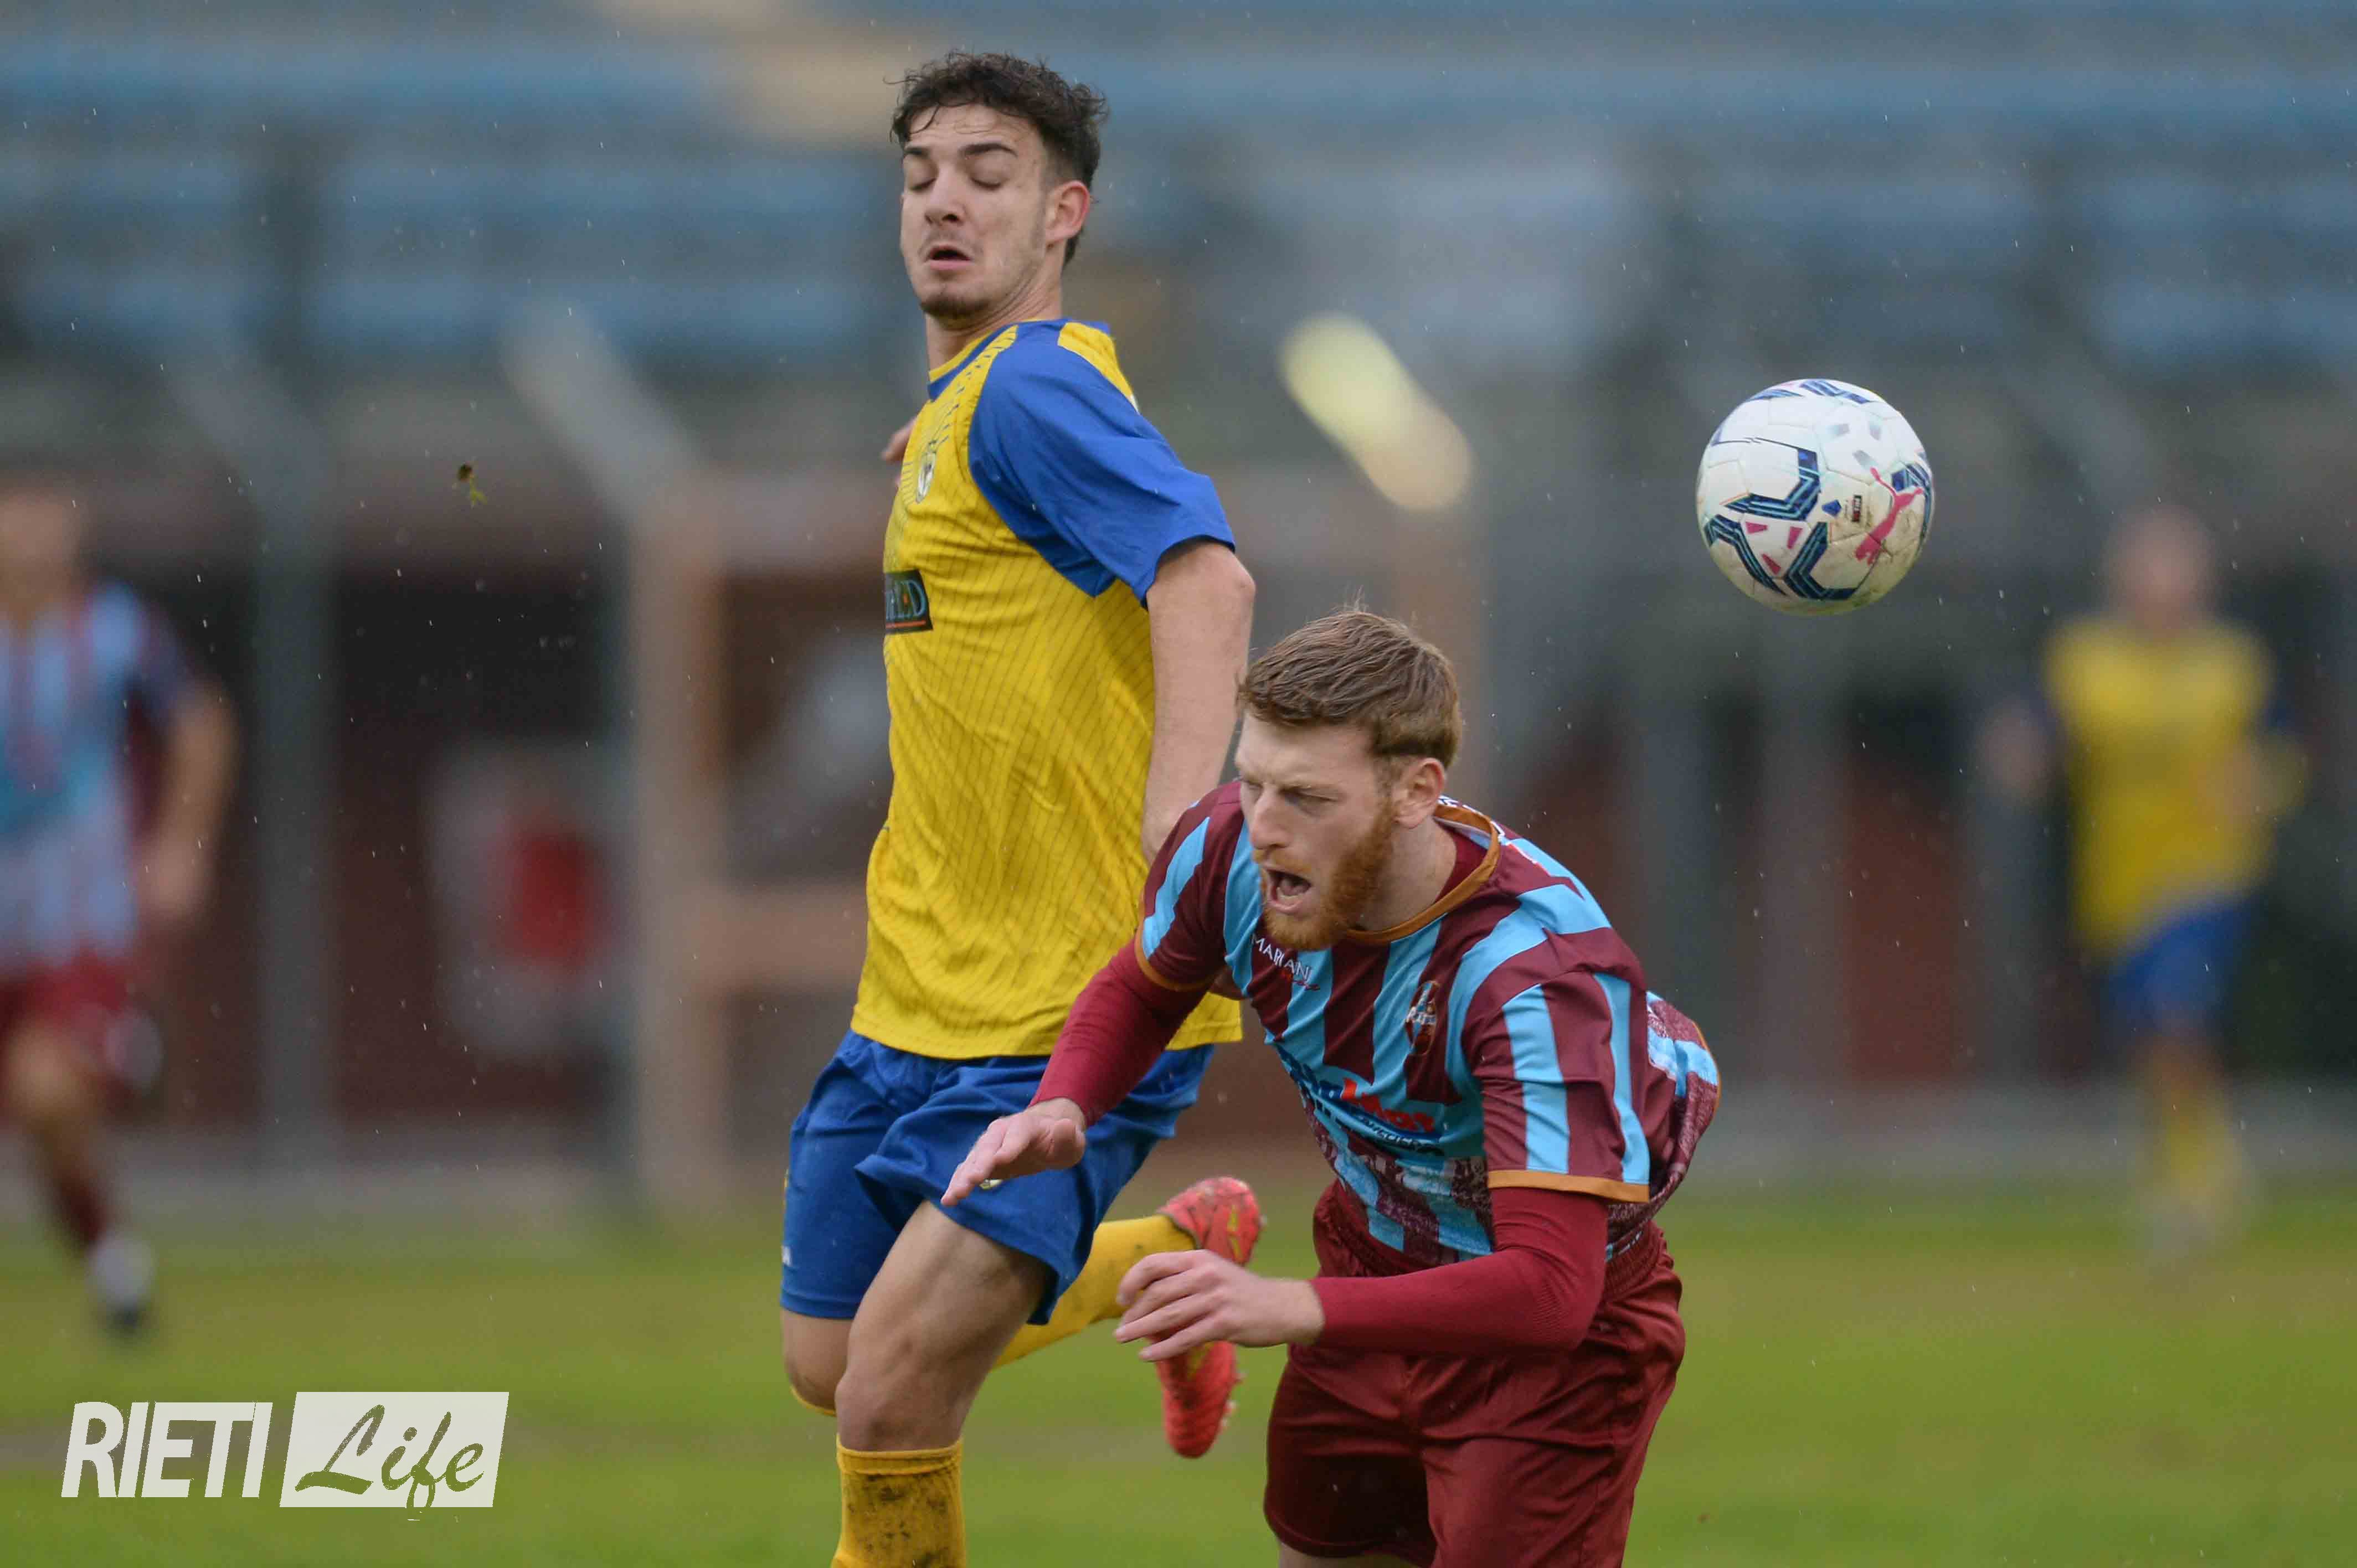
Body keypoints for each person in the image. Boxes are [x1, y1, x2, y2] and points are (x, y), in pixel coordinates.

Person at [948, 610, 1721, 1567]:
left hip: (1548, 1350)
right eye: (1253, 780)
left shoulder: (1534, 981)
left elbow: (1552, 1291)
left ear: (1416, 792)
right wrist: (1065, 1104)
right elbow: (1145, 985)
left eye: (1308, 797)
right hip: (1368, 1264)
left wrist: (1290, 1307)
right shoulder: (1229, 848)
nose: (1265, 827)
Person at [779, 52, 1263, 1567]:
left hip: (1060, 1010)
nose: (944, 202)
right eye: (920, 174)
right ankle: (1168, 1263)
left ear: (1064, 214)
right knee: (829, 1360)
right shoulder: (975, 405)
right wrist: (947, 428)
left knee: (891, 1396)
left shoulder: (1032, 393)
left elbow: (1208, 579)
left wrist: (1182, 836)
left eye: (988, 176)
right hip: (917, 994)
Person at [1983, 504, 2301, 1253]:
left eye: (2176, 570)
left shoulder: (2233, 664)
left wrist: (2259, 784)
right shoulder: (2086, 661)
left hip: (2208, 875)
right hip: (2119, 888)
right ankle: (2194, 1163)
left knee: (2176, 1014)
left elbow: (2284, 755)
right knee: (2153, 1040)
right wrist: (2020, 755)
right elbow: (2039, 736)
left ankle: (2198, 1184)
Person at [0, 463, 235, 1333]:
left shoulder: (114, 629)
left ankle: (123, 1049)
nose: (29, 535)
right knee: (49, 1128)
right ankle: (112, 1260)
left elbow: (202, 724)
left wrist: (183, 844)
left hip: (79, 922)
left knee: (44, 1092)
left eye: (45, 516)